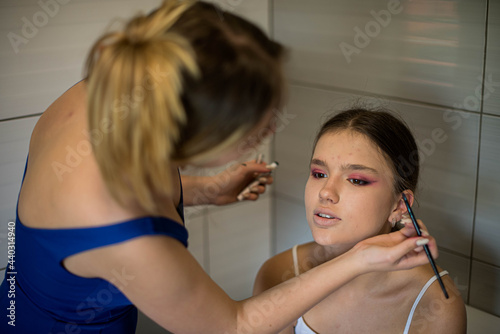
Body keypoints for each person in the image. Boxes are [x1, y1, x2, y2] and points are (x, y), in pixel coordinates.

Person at [0, 1, 438, 333]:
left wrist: (204, 190)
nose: (326, 190)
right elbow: (232, 326)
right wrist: (358, 260)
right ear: (200, 136)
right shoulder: (124, 229)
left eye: (357, 178)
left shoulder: (107, 95)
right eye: (255, 132)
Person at [253, 107, 467, 333]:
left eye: (356, 180)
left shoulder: (436, 305)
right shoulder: (279, 274)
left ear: (400, 205)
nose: (326, 192)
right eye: (319, 174)